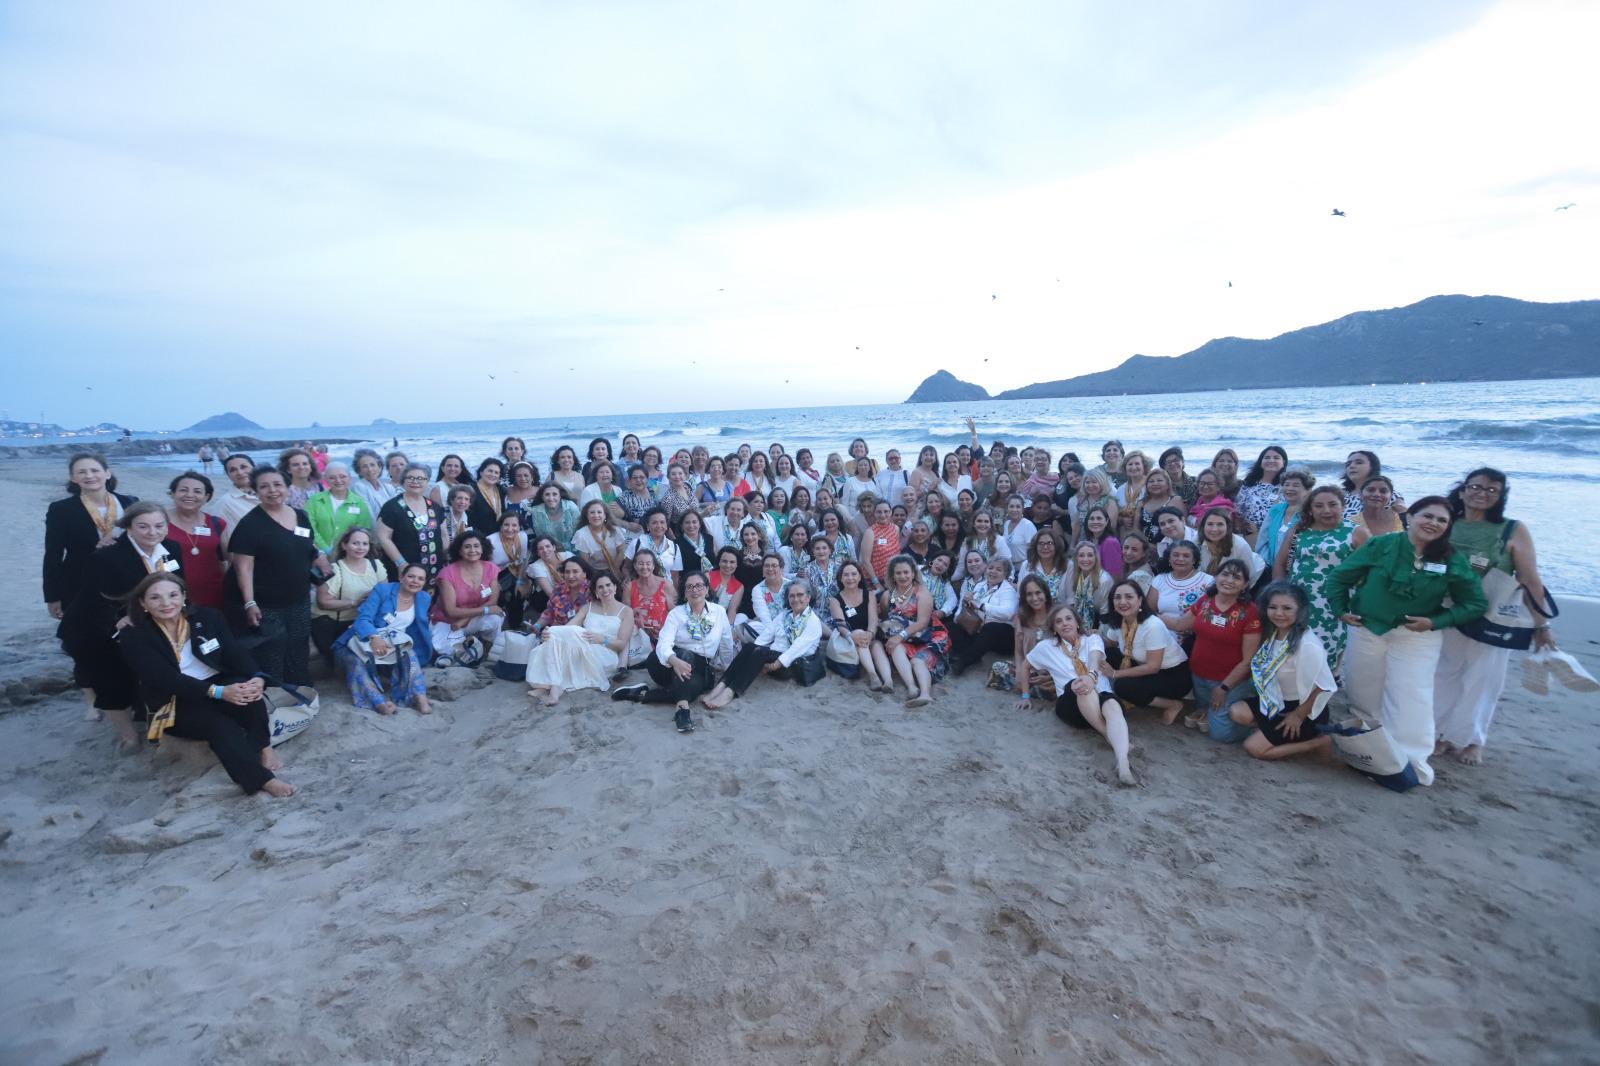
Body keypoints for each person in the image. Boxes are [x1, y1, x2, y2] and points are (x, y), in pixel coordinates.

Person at [1326, 496, 1487, 787]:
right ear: (1410, 516)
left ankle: (1412, 762)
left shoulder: (1450, 559)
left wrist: (1436, 621)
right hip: (1367, 629)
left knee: (1412, 698)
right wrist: (1340, 610)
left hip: (1416, 637)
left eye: (1441, 520)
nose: (1433, 523)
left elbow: (1474, 604)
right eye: (1428, 516)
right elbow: (1339, 577)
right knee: (1363, 696)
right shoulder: (1380, 545)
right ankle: (1368, 755)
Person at [119, 573, 294, 796]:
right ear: (143, 603)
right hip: (175, 698)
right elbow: (163, 678)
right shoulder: (135, 636)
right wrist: (219, 692)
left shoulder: (208, 617)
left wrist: (256, 677)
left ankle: (264, 747)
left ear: (184, 596)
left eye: (173, 595)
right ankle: (261, 781)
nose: (166, 603)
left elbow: (234, 652)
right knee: (220, 726)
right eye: (155, 598)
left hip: (216, 680)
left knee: (249, 692)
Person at [1432, 469, 1555, 764]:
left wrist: (1541, 625)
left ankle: (1471, 740)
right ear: (1462, 491)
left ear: (1501, 496)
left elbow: (1530, 579)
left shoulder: (1512, 529)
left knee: (1484, 678)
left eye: (1492, 490)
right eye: (1475, 487)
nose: (1482, 493)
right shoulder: (1447, 522)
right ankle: (1439, 734)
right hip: (1447, 609)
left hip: (1493, 614)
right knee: (1444, 674)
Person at [60, 500, 185, 750]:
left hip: (143, 622)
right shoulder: (108, 556)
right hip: (96, 628)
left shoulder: (171, 547)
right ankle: (128, 736)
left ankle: (151, 722)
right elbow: (92, 598)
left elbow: (177, 585)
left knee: (145, 675)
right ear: (128, 527)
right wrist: (117, 621)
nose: (152, 532)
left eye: (159, 525)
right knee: (112, 682)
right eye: (143, 526)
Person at [232, 467, 327, 687]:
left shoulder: (300, 515)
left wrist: (319, 556)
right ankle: (276, 693)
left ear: (287, 487)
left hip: (299, 597)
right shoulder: (250, 524)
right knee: (272, 648)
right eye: (264, 486)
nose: (272, 490)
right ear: (255, 491)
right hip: (266, 602)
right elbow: (243, 568)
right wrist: (249, 602)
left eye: (277, 485)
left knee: (299, 644)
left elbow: (306, 546)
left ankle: (301, 688)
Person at [1226, 581, 1336, 761]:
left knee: (1253, 748)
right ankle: (1272, 732)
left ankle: (1317, 742)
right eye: (1273, 607)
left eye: (1287, 608)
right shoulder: (1273, 633)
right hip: (1275, 700)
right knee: (1237, 712)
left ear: (1300, 610)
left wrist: (1298, 715)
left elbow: (1325, 686)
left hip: (1303, 709)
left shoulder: (1307, 645)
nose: (1279, 614)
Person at [1028, 604, 1135, 786]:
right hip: (1070, 706)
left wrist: (1091, 675)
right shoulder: (1046, 647)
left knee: (1112, 705)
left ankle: (1123, 763)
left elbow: (1095, 657)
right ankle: (1109, 736)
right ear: (1053, 628)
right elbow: (1025, 665)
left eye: (1069, 619)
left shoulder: (1092, 639)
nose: (1064, 624)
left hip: (1099, 696)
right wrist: (1024, 695)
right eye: (1058, 621)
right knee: (1079, 685)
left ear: (1077, 622)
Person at [611, 571, 728, 733]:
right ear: (685, 593)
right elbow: (663, 644)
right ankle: (682, 710)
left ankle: (642, 694)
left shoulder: (719, 612)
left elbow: (726, 642)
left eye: (699, 586)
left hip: (701, 668)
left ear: (707, 590)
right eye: (690, 587)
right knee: (685, 656)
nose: (695, 590)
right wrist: (674, 660)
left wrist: (726, 667)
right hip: (667, 664)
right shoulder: (676, 614)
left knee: (690, 691)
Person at [700, 581, 826, 709]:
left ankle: (730, 692)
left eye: (800, 595)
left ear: (808, 598)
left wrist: (775, 663)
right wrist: (752, 653)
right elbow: (766, 636)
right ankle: (721, 686)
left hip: (794, 665)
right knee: (750, 647)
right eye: (792, 596)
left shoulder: (813, 622)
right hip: (773, 657)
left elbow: (796, 649)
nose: (796, 599)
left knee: (760, 652)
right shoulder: (784, 615)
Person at [44, 453, 139, 621]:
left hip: (125, 578)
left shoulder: (130, 502)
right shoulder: (61, 509)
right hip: (80, 580)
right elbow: (53, 554)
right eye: (81, 472)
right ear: (73, 478)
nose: (89, 476)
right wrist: (52, 596)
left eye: (95, 470)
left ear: (107, 473)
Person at [1273, 485, 1356, 674]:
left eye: (1332, 504)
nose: (1326, 510)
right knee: (1294, 649)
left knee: (1326, 651)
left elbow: (1370, 571)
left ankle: (1322, 689)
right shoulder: (1299, 530)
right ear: (1310, 509)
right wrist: (1278, 595)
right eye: (1319, 506)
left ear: (1343, 506)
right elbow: (1280, 564)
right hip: (1298, 601)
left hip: (1334, 604)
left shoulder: (1356, 533)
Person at [1175, 559, 1262, 740]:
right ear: (1216, 577)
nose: (1229, 580)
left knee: (1220, 734)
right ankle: (1208, 710)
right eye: (1225, 574)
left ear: (1245, 584)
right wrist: (1149, 615)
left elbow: (1248, 660)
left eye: (1237, 577)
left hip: (1228, 680)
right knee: (1203, 711)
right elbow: (1180, 624)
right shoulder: (1206, 600)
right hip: (1198, 675)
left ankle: (1260, 724)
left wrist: (1224, 687)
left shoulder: (1250, 612)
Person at [334, 563, 435, 716]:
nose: (415, 581)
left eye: (420, 579)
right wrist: (374, 637)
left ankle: (420, 698)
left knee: (410, 655)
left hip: (393, 645)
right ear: (401, 577)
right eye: (411, 576)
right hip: (361, 642)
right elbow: (363, 619)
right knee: (357, 663)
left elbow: (418, 629)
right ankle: (379, 703)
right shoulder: (383, 590)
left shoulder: (423, 598)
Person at [526, 571, 633, 707]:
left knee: (566, 634)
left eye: (608, 585)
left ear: (615, 587)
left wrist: (602, 639)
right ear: (595, 591)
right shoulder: (588, 607)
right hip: (583, 645)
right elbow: (569, 628)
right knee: (557, 634)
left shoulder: (626, 611)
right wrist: (550, 633)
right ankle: (553, 685)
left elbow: (621, 644)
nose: (605, 590)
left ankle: (552, 686)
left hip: (605, 652)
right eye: (600, 587)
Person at [1101, 578, 1191, 724]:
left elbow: (1153, 667)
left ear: (1140, 600)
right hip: (1142, 664)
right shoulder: (1120, 619)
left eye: (1129, 597)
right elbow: (1110, 643)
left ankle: (1173, 704)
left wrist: (1116, 673)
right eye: (1117, 597)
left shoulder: (1153, 625)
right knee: (1109, 654)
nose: (1122, 602)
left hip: (1174, 676)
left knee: (1122, 686)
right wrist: (1091, 636)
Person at [873, 555, 949, 706]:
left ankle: (925, 695)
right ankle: (912, 688)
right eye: (898, 573)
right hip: (907, 638)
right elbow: (886, 619)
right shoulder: (888, 596)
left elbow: (922, 622)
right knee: (895, 646)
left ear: (913, 573)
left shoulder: (922, 593)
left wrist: (899, 636)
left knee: (918, 661)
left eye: (906, 572)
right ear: (892, 576)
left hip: (930, 635)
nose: (903, 576)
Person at [428, 531, 505, 666]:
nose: (472, 550)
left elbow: (493, 601)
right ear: (460, 550)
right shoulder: (447, 573)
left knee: (496, 617)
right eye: (467, 546)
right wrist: (485, 610)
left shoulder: (490, 568)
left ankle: (489, 647)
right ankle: (466, 645)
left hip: (468, 619)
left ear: (482, 548)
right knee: (447, 654)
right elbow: (450, 611)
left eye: (476, 546)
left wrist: (467, 618)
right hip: (448, 621)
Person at [311, 527, 384, 660]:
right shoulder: (335, 569)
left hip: (362, 622)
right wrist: (355, 602)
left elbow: (385, 594)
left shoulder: (376, 566)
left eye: (364, 544)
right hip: (333, 624)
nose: (360, 547)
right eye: (355, 543)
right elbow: (323, 602)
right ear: (344, 545)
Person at [164, 471, 228, 610]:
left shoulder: (217, 523)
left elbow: (223, 559)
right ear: (173, 493)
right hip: (171, 596)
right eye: (183, 490)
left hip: (215, 593)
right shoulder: (158, 522)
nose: (190, 495)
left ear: (207, 497)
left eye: (197, 491)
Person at [375, 463, 447, 583]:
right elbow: (384, 538)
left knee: (429, 600)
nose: (415, 481)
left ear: (427, 481)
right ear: (403, 480)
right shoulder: (391, 507)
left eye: (420, 478)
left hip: (433, 569)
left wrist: (445, 555)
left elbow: (444, 534)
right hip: (404, 569)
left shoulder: (434, 507)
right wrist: (401, 563)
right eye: (410, 478)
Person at [948, 558, 1018, 676]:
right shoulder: (980, 585)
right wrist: (967, 601)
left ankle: (963, 662)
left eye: (998, 569)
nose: (993, 571)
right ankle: (972, 654)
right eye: (991, 568)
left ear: (1005, 574)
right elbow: (972, 607)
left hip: (1003, 637)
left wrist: (981, 606)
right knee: (952, 626)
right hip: (981, 632)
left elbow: (1008, 613)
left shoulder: (1008, 590)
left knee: (991, 628)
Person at [827, 560, 884, 685]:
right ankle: (873, 676)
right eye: (846, 575)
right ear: (840, 579)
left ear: (859, 577)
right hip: (849, 637)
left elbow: (873, 619)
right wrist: (851, 636)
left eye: (854, 574)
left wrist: (870, 633)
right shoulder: (835, 600)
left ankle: (888, 681)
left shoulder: (869, 595)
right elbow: (841, 625)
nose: (850, 578)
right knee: (859, 634)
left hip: (869, 634)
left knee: (877, 646)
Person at [305, 462, 373, 553]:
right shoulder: (314, 500)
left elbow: (363, 531)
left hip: (349, 554)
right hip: (317, 553)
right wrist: (325, 549)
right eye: (332, 477)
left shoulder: (359, 503)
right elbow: (308, 527)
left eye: (342, 476)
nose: (338, 480)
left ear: (350, 478)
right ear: (326, 480)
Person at [1253, 469, 1314, 570]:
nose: (1289, 488)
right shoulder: (1275, 510)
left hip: (1298, 569)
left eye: (1296, 485)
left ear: (1308, 490)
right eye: (1286, 484)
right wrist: (1266, 564)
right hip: (1269, 566)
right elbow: (1262, 540)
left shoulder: (1310, 513)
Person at [1147, 540, 1213, 630]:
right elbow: (1149, 611)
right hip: (1161, 633)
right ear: (1169, 559)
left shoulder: (1208, 581)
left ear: (1194, 560)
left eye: (1186, 556)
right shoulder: (1159, 579)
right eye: (1176, 555)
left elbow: (1209, 615)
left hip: (1193, 636)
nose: (1180, 559)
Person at [624, 548, 676, 661]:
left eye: (648, 563)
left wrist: (665, 632)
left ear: (653, 566)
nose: (644, 567)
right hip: (639, 637)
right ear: (635, 566)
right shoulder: (629, 587)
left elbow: (674, 613)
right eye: (640, 563)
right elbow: (625, 615)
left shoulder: (666, 584)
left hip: (663, 636)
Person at [1197, 508, 1263, 583]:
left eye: (1220, 524)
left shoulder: (1240, 546)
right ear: (1203, 526)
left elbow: (1249, 577)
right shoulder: (1196, 543)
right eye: (1210, 524)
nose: (1214, 529)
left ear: (1228, 527)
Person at [489, 512, 531, 629]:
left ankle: (515, 626)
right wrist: (495, 585)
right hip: (494, 575)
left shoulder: (523, 537)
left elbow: (522, 561)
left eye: (514, 525)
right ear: (501, 526)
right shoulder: (491, 541)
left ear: (519, 527)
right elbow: (486, 569)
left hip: (515, 571)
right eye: (506, 525)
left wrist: (520, 582)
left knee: (518, 593)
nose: (510, 529)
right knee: (499, 597)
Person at [208, 453, 258, 548]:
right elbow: (216, 536)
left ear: (254, 468)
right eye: (233, 470)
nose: (240, 472)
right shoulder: (225, 503)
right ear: (228, 475)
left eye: (243, 467)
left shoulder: (272, 493)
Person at [573, 500, 628, 582]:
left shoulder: (615, 530)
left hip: (616, 567)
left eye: (599, 512)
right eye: (592, 513)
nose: (596, 515)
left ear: (605, 515)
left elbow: (621, 551)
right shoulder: (581, 535)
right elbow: (585, 562)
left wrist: (613, 570)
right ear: (587, 516)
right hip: (594, 571)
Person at [1235, 446, 1288, 532]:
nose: (1271, 460)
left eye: (1276, 458)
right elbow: (1238, 512)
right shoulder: (1248, 484)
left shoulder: (1288, 486)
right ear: (1261, 462)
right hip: (1252, 536)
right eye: (1267, 457)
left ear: (1283, 463)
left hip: (1278, 536)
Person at [1065, 540, 1113, 633]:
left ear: (1096, 558)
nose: (1085, 559)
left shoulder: (1104, 580)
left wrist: (1098, 634)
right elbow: (1071, 602)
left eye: (1090, 555)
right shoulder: (1073, 575)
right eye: (1081, 555)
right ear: (1076, 558)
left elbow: (1105, 613)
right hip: (1077, 620)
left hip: (1101, 623)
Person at [535, 558, 591, 635]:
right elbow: (549, 612)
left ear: (584, 574)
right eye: (567, 572)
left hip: (583, 636)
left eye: (575, 572)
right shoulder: (559, 589)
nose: (570, 576)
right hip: (556, 634)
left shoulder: (592, 591)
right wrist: (537, 626)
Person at [1350, 475, 1408, 547]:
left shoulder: (1402, 519)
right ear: (1360, 495)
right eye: (1371, 490)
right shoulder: (1351, 523)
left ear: (1390, 497)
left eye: (1383, 491)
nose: (1376, 494)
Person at [526, 482, 581, 552]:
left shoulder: (571, 507)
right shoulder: (536, 511)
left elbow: (578, 533)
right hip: (548, 551)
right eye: (547, 495)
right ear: (542, 497)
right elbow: (540, 536)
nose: (551, 498)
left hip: (574, 549)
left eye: (554, 494)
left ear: (560, 496)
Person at [1340, 450, 1387, 518]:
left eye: (1359, 462)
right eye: (1348, 464)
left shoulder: (1383, 493)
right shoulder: (1341, 495)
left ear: (1372, 467)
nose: (1351, 466)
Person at [351, 448, 397, 516]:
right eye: (364, 466)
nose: (370, 469)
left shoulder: (388, 488)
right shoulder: (359, 487)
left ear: (380, 467)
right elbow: (368, 515)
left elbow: (398, 510)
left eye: (372, 465)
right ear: (359, 471)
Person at [467, 458, 505, 533]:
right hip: (478, 538)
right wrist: (471, 534)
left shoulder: (500, 490)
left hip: (500, 535)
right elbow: (465, 520)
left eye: (496, 472)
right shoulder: (470, 491)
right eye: (490, 471)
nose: (493, 475)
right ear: (481, 472)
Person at [503, 462, 541, 528]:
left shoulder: (541, 492)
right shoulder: (507, 492)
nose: (523, 479)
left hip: (537, 535)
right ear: (514, 478)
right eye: (519, 476)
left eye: (526, 475)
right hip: (512, 534)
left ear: (532, 477)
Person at [440, 485, 476, 554]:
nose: (462, 502)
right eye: (459, 498)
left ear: (470, 503)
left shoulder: (467, 516)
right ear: (451, 500)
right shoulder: (442, 514)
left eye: (466, 499)